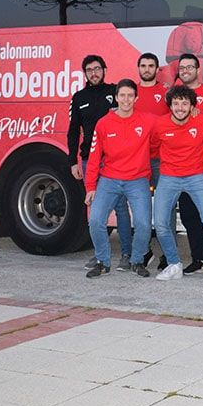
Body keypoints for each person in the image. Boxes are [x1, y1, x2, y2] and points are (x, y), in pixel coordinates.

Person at [83, 79, 154, 278]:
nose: (126, 99)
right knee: (95, 220)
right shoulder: (104, 123)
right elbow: (94, 156)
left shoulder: (147, 120)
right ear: (116, 98)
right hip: (109, 179)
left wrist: (194, 111)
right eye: (122, 95)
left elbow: (169, 126)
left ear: (136, 98)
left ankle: (137, 260)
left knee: (143, 223)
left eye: (130, 95)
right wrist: (91, 187)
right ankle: (103, 262)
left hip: (138, 180)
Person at [68, 54, 133, 270]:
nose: (94, 73)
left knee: (122, 209)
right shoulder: (78, 98)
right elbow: (72, 132)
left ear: (104, 70)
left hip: (115, 162)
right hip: (89, 162)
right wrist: (73, 162)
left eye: (97, 69)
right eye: (89, 70)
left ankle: (126, 253)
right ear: (85, 73)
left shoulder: (114, 93)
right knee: (95, 210)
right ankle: (100, 256)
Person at [149, 84, 203, 282]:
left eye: (185, 103)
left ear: (192, 106)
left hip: (197, 176)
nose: (180, 107)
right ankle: (174, 264)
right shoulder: (160, 124)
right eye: (176, 103)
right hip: (169, 177)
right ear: (169, 105)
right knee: (161, 223)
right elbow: (154, 147)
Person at [174, 53, 203, 276]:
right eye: (182, 67)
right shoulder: (174, 95)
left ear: (198, 69)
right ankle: (197, 258)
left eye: (190, 67)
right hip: (183, 164)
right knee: (189, 214)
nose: (185, 70)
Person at [134, 52, 170, 270]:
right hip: (137, 162)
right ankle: (143, 252)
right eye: (143, 65)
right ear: (138, 68)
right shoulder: (129, 93)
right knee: (141, 210)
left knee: (165, 209)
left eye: (151, 66)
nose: (147, 69)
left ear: (157, 69)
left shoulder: (166, 93)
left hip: (161, 161)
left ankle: (167, 254)